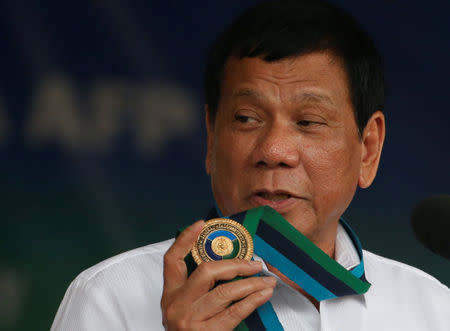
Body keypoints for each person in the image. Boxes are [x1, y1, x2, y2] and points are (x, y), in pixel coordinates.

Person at [51, 1, 450, 330]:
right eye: (246, 118)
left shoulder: (432, 309)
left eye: (308, 122)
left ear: (368, 149)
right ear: (211, 137)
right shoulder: (110, 298)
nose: (274, 150)